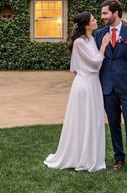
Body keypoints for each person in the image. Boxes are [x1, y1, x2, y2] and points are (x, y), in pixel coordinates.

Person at [44, 12, 111, 172]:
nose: (96, 21)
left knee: (93, 120)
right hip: (85, 85)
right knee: (83, 120)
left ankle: (89, 155)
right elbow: (95, 63)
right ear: (87, 25)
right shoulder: (80, 42)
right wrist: (103, 46)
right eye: (93, 19)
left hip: (93, 84)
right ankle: (79, 157)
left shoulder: (91, 39)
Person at [95, 0, 127, 174]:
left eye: (105, 13)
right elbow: (96, 61)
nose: (103, 17)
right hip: (107, 88)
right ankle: (118, 158)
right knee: (114, 124)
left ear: (115, 13)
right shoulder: (99, 34)